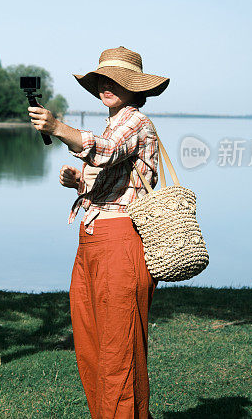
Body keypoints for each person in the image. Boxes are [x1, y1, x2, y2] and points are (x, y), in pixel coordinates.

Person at [28, 46, 169, 419]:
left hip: (122, 244)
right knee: (91, 346)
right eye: (103, 79)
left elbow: (105, 151)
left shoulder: (135, 122)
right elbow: (112, 179)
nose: (108, 85)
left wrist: (58, 127)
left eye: (117, 80)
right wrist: (79, 184)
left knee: (119, 351)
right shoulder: (113, 122)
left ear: (135, 88)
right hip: (91, 242)